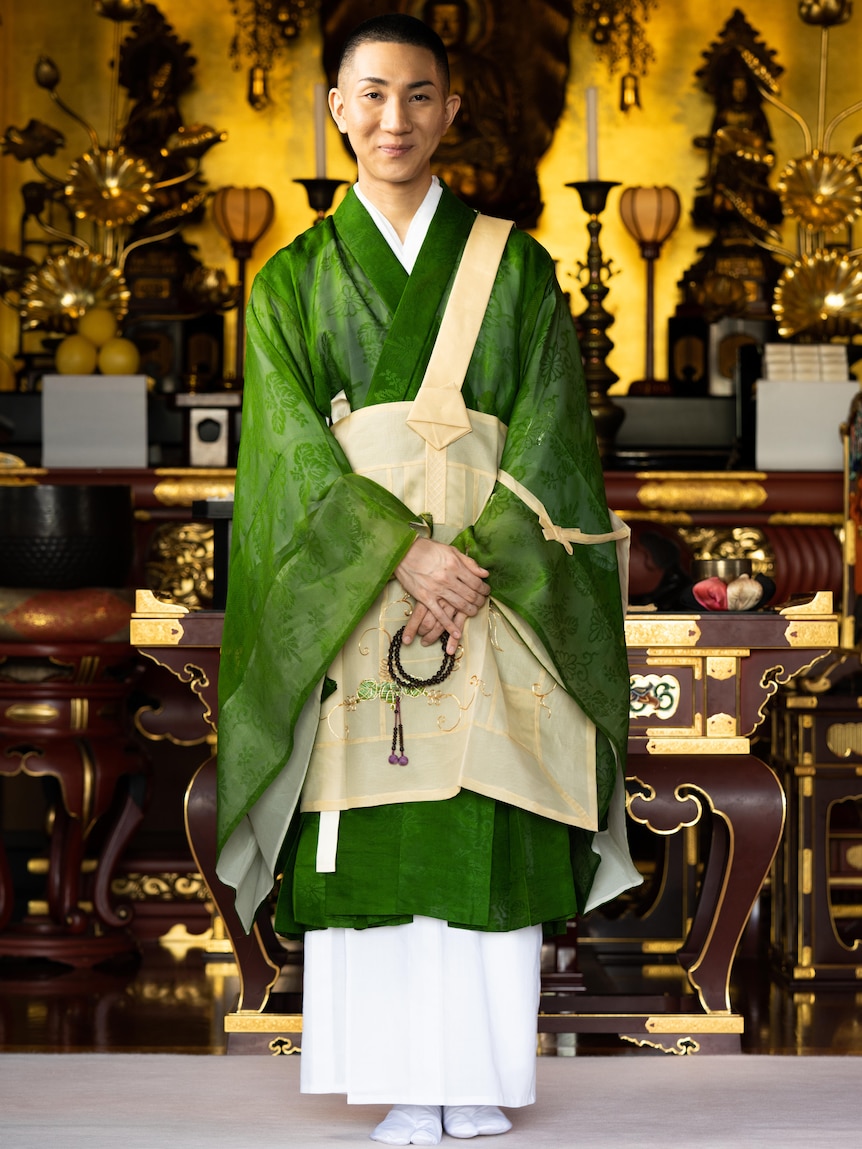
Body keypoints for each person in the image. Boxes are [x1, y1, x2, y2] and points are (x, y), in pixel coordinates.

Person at [216, 13, 640, 1146]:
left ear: (452, 111)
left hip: (491, 581)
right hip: (361, 588)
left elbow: (553, 439)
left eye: (418, 96)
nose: (393, 119)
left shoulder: (521, 265)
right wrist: (398, 552)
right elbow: (286, 453)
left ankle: (479, 1072)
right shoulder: (293, 281)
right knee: (375, 817)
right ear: (337, 111)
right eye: (370, 95)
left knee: (481, 805)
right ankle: (401, 1077)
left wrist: (475, 560)